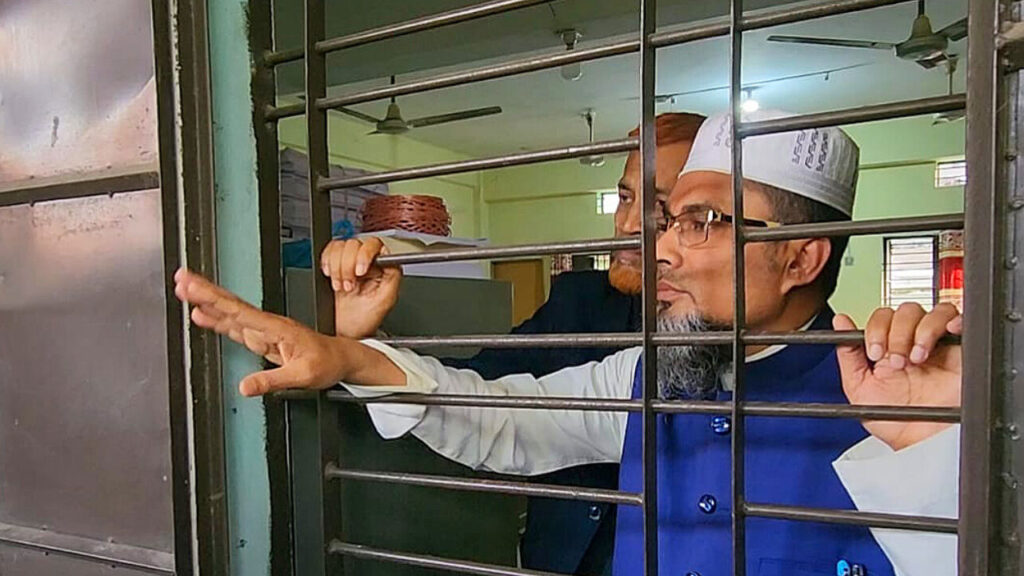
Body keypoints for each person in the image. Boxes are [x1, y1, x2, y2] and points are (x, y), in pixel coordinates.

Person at [174, 110, 960, 575]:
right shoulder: (645, 375)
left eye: (701, 223)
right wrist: (349, 358)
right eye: (666, 219)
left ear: (800, 258)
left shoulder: (896, 398)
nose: (660, 247)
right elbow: (500, 419)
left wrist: (931, 448)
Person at [322, 112, 705, 575]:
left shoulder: (730, 352)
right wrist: (363, 346)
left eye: (659, 207)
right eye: (625, 197)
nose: (627, 223)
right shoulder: (579, 302)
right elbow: (478, 391)